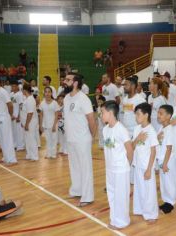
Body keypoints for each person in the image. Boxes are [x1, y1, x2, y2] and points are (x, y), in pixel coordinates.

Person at [63, 72, 96, 206]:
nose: (65, 81)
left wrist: (92, 136)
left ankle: (87, 197)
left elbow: (91, 119)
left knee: (85, 167)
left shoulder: (83, 98)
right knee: (74, 166)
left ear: (75, 83)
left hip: (82, 139)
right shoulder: (66, 98)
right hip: (71, 139)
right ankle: (77, 190)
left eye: (68, 80)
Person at [101, 100, 133, 229]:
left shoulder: (121, 129)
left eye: (102, 112)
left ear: (110, 113)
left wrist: (127, 165)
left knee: (121, 196)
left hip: (121, 169)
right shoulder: (105, 130)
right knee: (112, 195)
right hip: (110, 169)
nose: (101, 115)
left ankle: (123, 221)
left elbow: (130, 150)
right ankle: (114, 219)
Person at [132, 102, 159, 223]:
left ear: (146, 115)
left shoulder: (151, 130)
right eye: (136, 114)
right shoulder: (136, 128)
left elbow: (153, 151)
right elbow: (132, 146)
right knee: (139, 188)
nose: (136, 116)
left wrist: (149, 169)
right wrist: (137, 139)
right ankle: (140, 209)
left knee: (149, 190)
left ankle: (151, 214)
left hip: (147, 166)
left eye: (138, 114)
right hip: (137, 164)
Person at [156, 104, 176, 214]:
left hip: (167, 160)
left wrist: (165, 163)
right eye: (158, 113)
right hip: (161, 159)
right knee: (163, 182)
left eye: (161, 113)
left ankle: (171, 203)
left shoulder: (169, 129)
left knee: (169, 181)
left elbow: (169, 148)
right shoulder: (161, 128)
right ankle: (166, 201)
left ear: (168, 116)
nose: (158, 115)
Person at [20, 83, 39, 161]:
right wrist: (23, 122)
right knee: (27, 139)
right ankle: (29, 155)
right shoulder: (27, 99)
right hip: (26, 122)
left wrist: (27, 124)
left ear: (24, 90)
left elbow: (30, 113)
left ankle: (34, 156)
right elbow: (24, 112)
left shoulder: (30, 99)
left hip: (31, 122)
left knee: (31, 139)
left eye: (22, 90)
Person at [39, 87, 59, 159]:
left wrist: (54, 125)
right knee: (48, 140)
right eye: (46, 92)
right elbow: (41, 115)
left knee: (54, 139)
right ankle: (48, 153)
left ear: (51, 93)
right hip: (45, 124)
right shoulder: (42, 103)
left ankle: (53, 154)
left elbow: (57, 114)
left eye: (49, 92)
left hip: (53, 124)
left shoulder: (55, 103)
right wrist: (40, 125)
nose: (47, 93)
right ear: (44, 93)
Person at [10, 80, 24, 151]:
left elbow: (21, 105)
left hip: (18, 116)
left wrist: (19, 116)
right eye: (11, 86)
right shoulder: (11, 94)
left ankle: (20, 146)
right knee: (14, 131)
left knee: (19, 131)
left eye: (13, 86)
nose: (12, 87)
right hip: (12, 116)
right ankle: (15, 145)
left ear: (17, 87)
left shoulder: (19, 94)